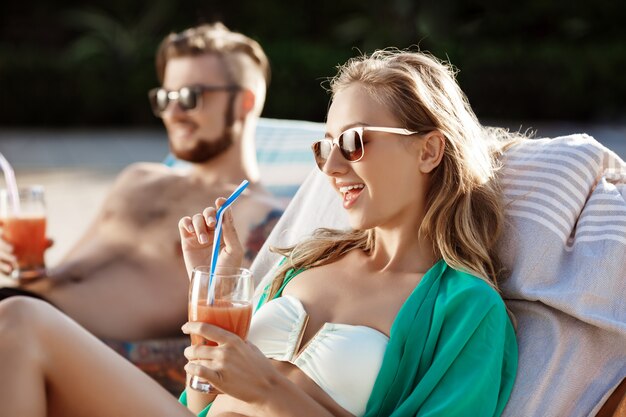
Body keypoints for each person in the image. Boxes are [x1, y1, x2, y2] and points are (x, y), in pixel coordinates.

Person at [0, 49, 522, 416]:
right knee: (16, 319)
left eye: (356, 142)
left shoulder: (467, 309)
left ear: (429, 150)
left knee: (21, 319)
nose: (333, 166)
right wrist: (214, 284)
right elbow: (200, 400)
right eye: (326, 146)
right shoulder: (307, 262)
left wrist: (268, 387)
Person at [0, 23, 282, 342]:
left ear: (245, 102)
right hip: (19, 310)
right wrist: (30, 268)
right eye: (165, 97)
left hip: (58, 344)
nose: (172, 113)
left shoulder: (261, 217)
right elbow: (65, 276)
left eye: (190, 97)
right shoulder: (138, 179)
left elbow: (233, 341)